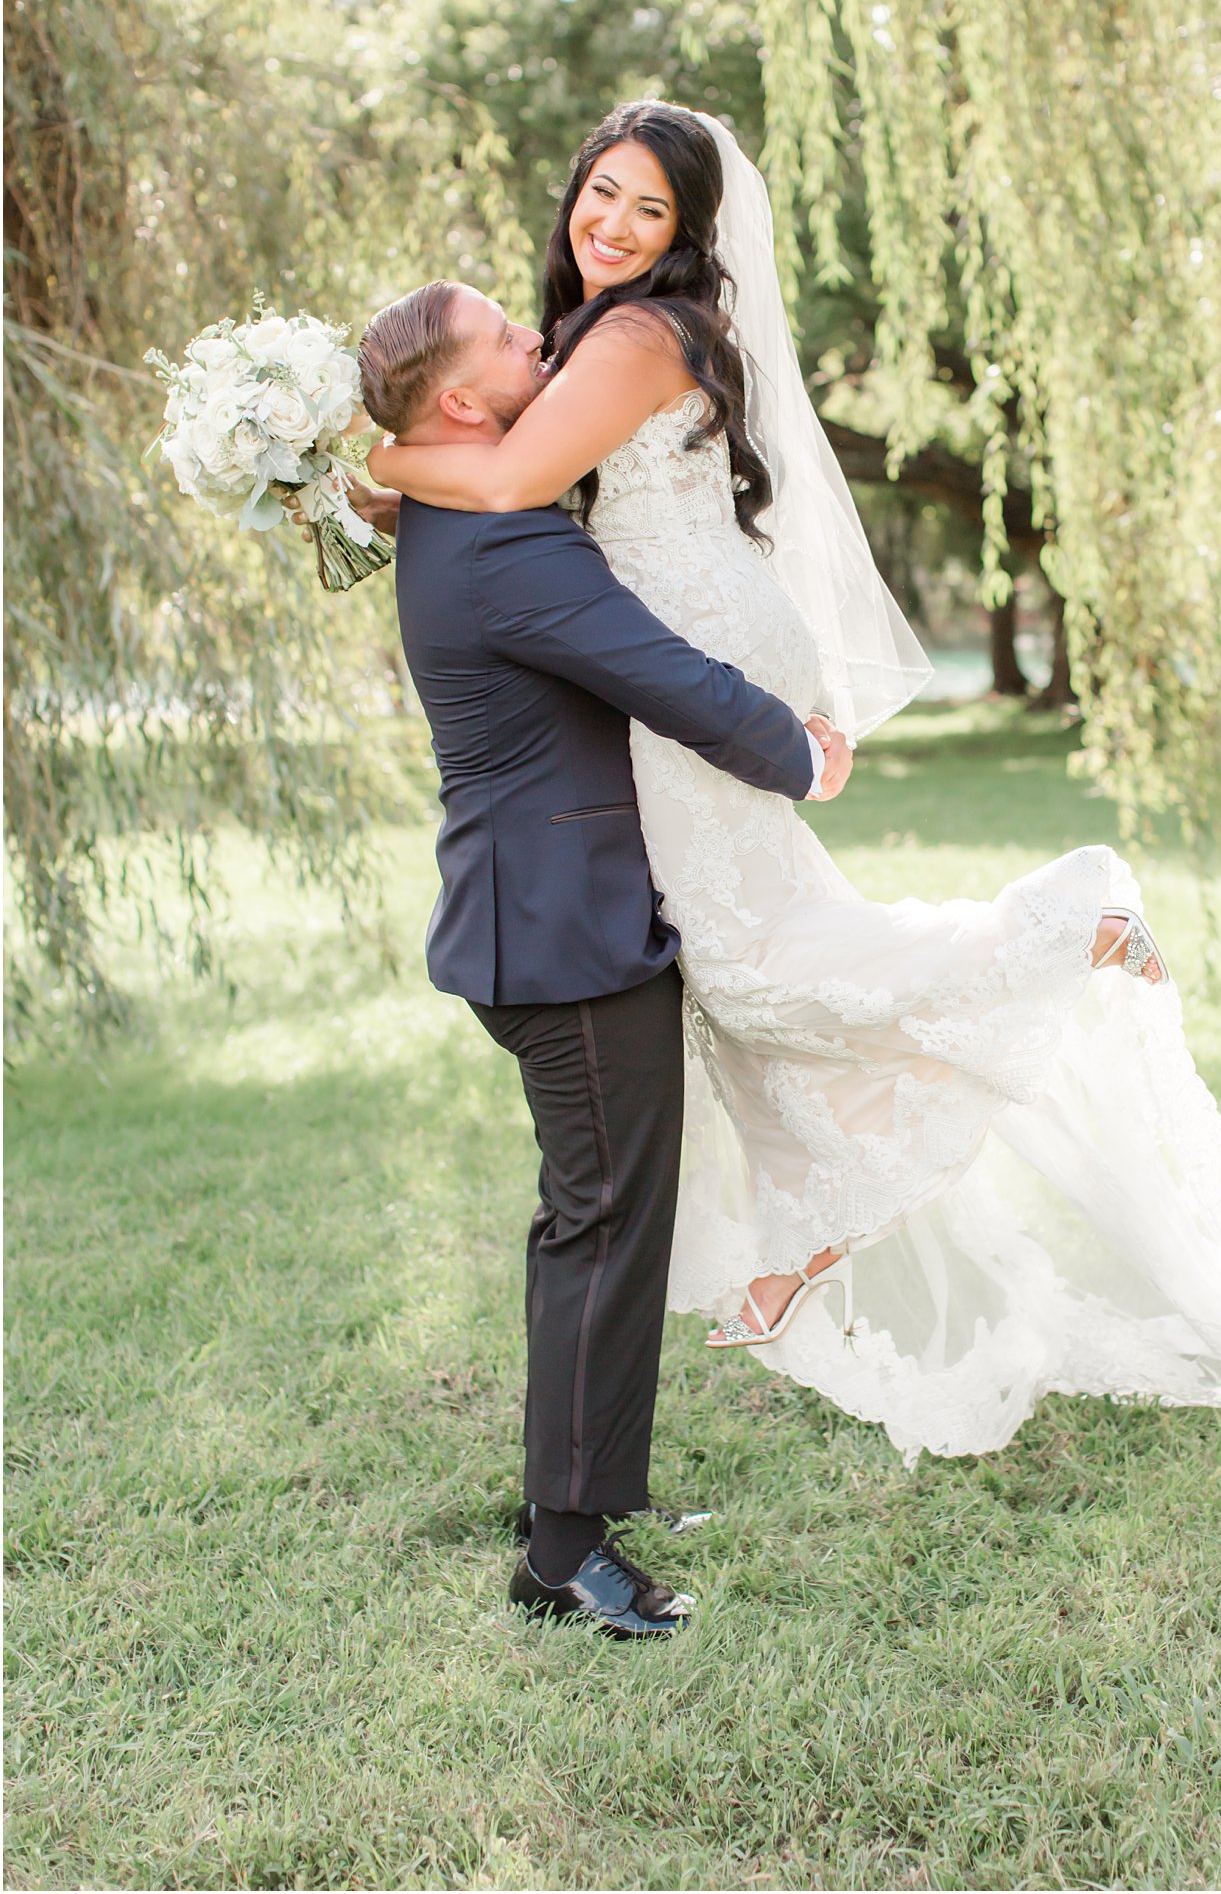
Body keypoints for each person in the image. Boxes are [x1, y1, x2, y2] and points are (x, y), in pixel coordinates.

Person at [360, 101, 1221, 1523]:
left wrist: (372, 461)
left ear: (687, 235)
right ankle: (796, 1234)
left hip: (696, 658)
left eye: (647, 211)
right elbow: (511, 467)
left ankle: (1051, 928)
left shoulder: (622, 340)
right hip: (692, 647)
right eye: (600, 192)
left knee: (753, 965)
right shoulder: (606, 344)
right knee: (749, 966)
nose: (611, 224)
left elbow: (514, 472)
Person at [355, 277, 850, 1637]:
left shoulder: (466, 501)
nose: (542, 342)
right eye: (513, 340)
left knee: (595, 1215)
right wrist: (800, 749)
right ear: (466, 399)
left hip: (550, 913)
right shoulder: (505, 542)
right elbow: (661, 672)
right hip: (561, 930)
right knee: (606, 1221)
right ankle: (564, 1554)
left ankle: (573, 1498)